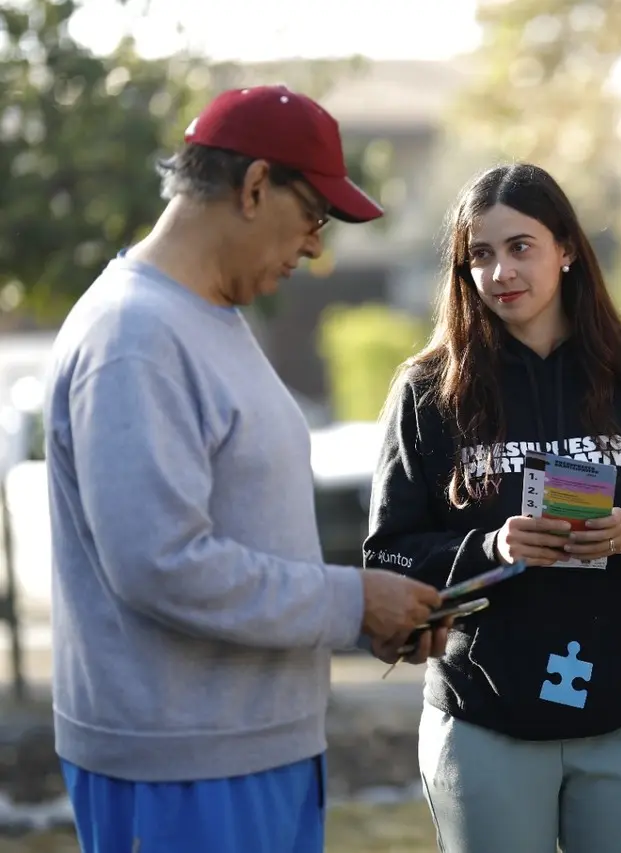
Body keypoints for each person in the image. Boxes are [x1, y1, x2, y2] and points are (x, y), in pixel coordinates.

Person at [43, 85, 454, 853]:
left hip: (253, 749)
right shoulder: (136, 335)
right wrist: (349, 600)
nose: (315, 248)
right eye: (314, 218)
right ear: (256, 185)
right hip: (184, 768)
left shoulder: (210, 317)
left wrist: (359, 617)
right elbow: (160, 564)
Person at [363, 162, 621, 852]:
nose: (501, 271)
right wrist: (493, 547)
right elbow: (387, 554)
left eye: (520, 246)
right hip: (485, 714)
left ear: (566, 248)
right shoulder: (427, 390)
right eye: (481, 254)